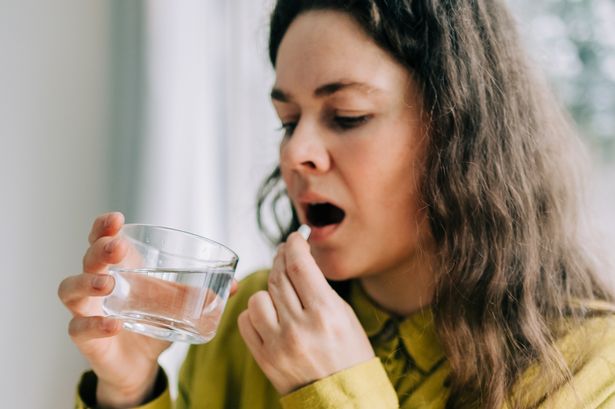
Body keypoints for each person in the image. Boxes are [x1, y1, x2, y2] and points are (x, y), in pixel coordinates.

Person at [59, 1, 615, 408]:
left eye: (347, 116)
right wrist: (130, 391)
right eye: (287, 121)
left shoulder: (588, 366)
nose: (295, 152)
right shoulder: (251, 317)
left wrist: (335, 393)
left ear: (458, 133)